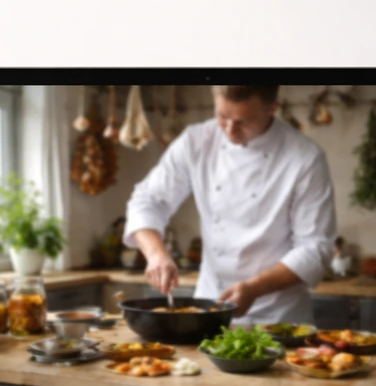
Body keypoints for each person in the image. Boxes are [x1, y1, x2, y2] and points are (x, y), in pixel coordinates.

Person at [123, 85, 336, 324]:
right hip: (208, 308)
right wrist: (156, 255)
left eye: (245, 121)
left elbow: (315, 247)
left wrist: (254, 288)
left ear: (272, 110)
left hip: (277, 317)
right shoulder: (196, 141)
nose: (230, 130)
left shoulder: (305, 157)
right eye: (222, 117)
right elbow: (147, 199)